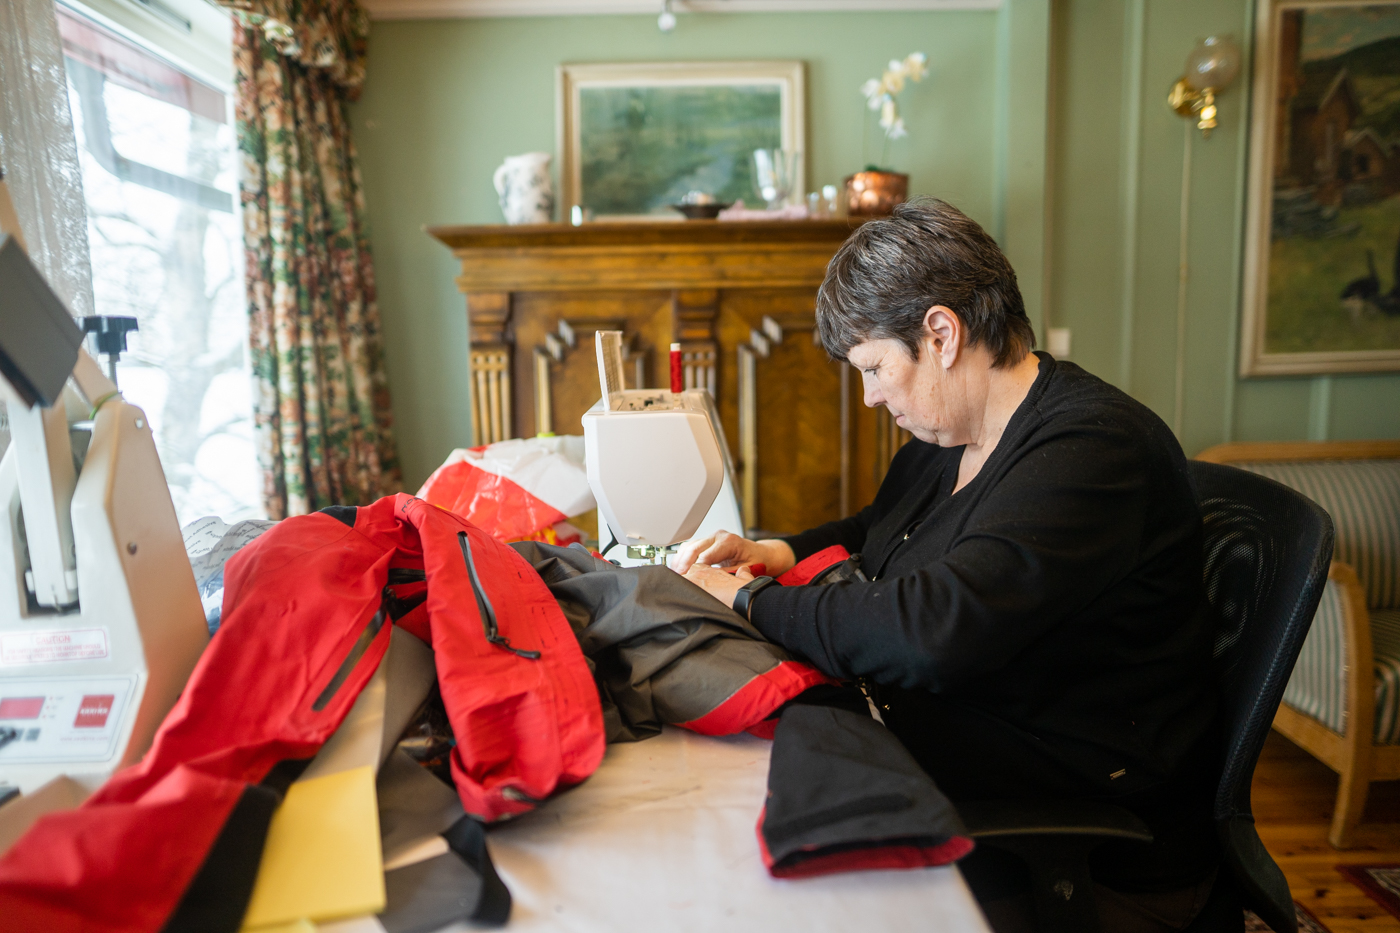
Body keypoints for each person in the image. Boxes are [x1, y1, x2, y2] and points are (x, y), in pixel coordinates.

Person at [672, 199, 1220, 932]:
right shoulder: (955, 436)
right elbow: (878, 529)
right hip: (975, 755)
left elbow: (931, 629)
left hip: (1082, 830)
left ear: (941, 334)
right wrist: (778, 552)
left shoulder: (1094, 448)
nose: (870, 396)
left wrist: (749, 602)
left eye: (875, 368)